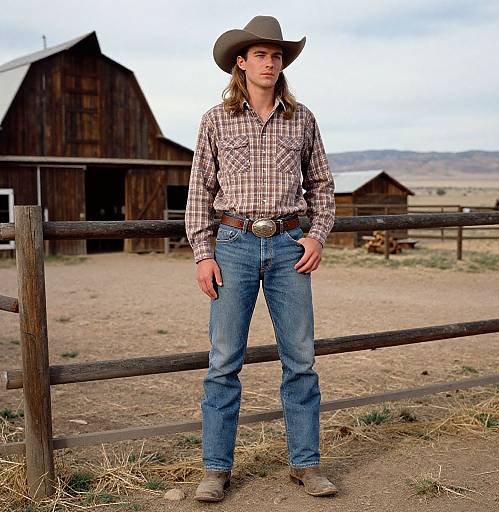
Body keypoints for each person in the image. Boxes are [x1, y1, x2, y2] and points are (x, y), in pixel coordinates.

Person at [185, 15, 337, 502]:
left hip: (291, 246)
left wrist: (316, 236)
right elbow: (198, 192)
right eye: (261, 55)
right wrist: (203, 254)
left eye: (277, 56)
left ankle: (306, 464)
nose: (270, 62)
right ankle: (216, 469)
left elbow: (322, 186)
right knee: (224, 361)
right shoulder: (215, 119)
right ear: (241, 62)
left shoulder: (303, 118)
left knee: (301, 360)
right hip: (233, 245)